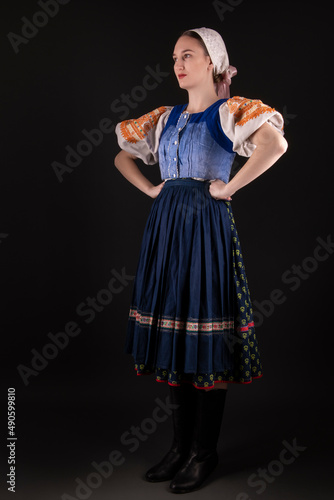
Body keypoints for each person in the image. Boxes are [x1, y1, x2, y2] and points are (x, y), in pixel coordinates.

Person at [114, 27, 287, 494]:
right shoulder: (165, 118)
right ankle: (179, 446)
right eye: (174, 56)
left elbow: (275, 144)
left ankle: (204, 452)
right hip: (166, 228)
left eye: (188, 55)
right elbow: (121, 157)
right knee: (174, 332)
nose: (178, 63)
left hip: (206, 229)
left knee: (205, 331)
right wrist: (153, 188)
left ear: (212, 62)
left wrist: (228, 188)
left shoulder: (230, 112)